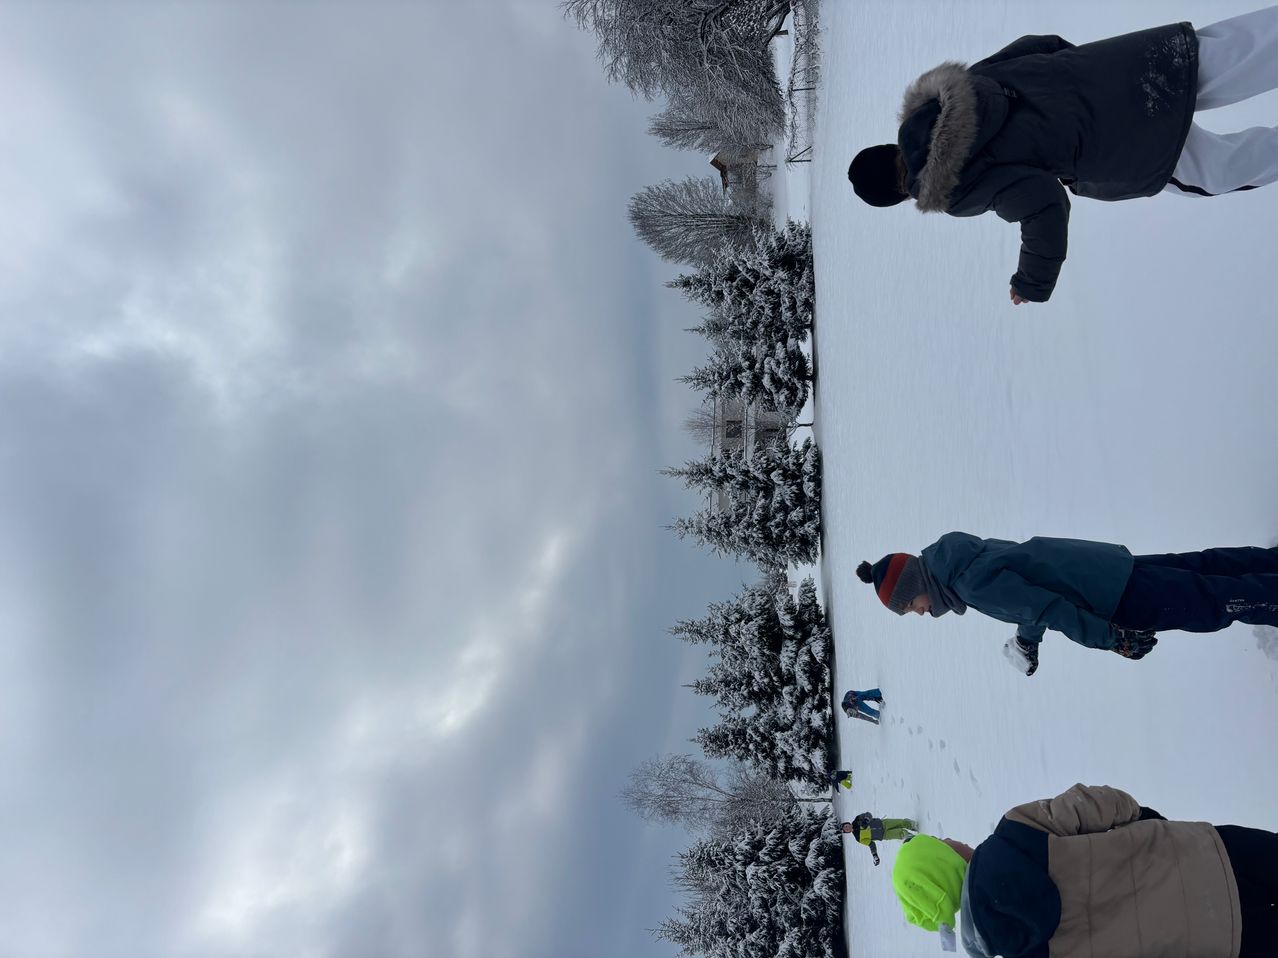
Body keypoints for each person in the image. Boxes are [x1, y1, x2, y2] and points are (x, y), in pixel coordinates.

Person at [847, 6, 1278, 303]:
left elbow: (1044, 205)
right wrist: (1078, 81)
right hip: (1117, 66)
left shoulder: (951, 186)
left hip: (1117, 142)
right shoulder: (948, 92)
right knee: (1238, 51)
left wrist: (1031, 282)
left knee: (1222, 168)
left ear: (900, 194)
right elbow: (1038, 43)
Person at [892, 783, 1276, 957]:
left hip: (1222, 939)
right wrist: (1146, 823)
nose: (953, 839)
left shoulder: (1019, 949)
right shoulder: (1015, 831)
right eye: (943, 845)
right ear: (946, 862)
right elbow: (1097, 803)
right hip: (1209, 857)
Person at [857, 534, 1278, 675]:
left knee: (1212, 602)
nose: (920, 613)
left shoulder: (969, 585)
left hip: (1111, 597)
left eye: (910, 604)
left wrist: (1111, 639)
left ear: (917, 584)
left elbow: (1049, 608)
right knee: (1204, 569)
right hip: (1104, 568)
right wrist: (1028, 640)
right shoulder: (960, 559)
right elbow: (1031, 596)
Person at [842, 813, 918, 866]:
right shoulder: (858, 838)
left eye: (845, 826)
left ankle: (913, 825)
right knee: (901, 833)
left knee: (901, 822)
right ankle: (914, 838)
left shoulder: (857, 819)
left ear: (847, 823)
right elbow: (871, 844)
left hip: (883, 823)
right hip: (883, 835)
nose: (847, 828)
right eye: (846, 830)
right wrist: (875, 855)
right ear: (847, 832)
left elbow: (868, 814)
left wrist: (866, 820)